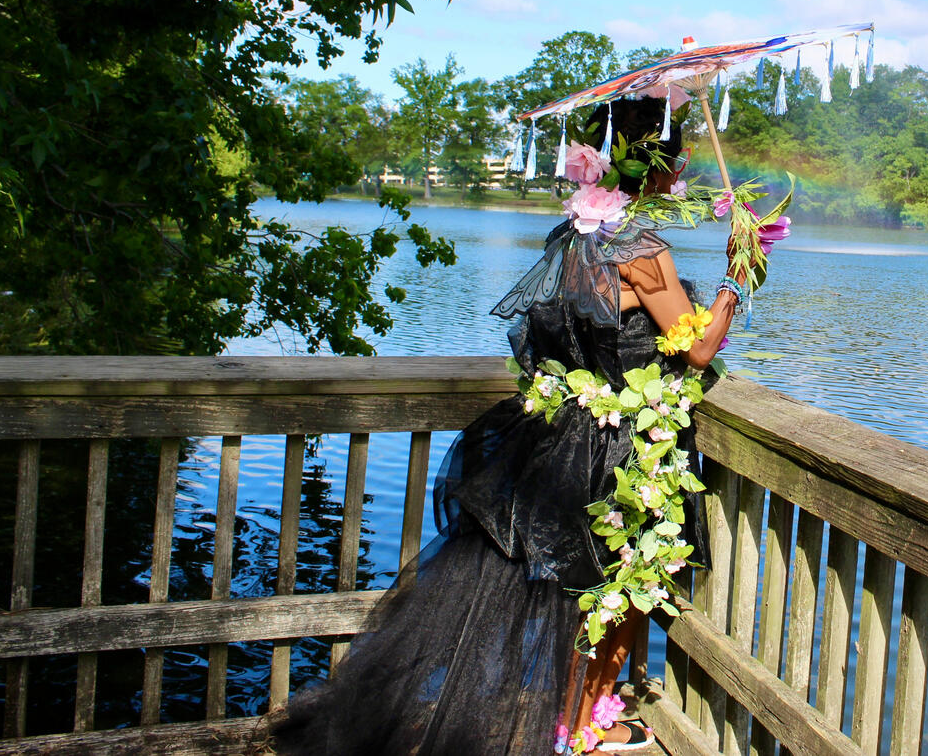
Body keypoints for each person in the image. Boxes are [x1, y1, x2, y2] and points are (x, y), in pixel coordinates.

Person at [270, 96, 763, 755]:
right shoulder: (641, 247)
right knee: (624, 586)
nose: (684, 166)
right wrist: (735, 280)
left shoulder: (574, 234)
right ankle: (588, 722)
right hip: (619, 448)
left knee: (578, 589)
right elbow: (696, 346)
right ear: (653, 162)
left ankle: (573, 715)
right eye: (677, 155)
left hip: (565, 434)